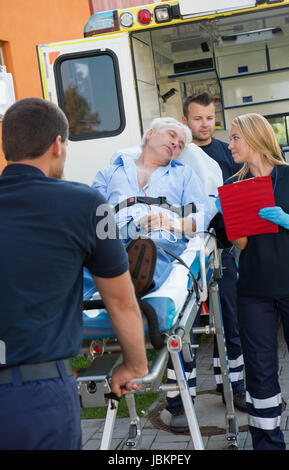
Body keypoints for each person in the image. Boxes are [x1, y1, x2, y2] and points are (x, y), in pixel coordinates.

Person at [0, 98, 148, 450]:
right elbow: (122, 301)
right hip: (33, 399)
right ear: (57, 144)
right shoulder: (86, 204)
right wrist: (134, 366)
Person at [86, 117, 211, 432]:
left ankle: (133, 278)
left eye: (181, 143)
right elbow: (92, 214)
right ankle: (99, 285)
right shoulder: (111, 172)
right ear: (150, 134)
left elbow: (201, 215)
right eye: (172, 135)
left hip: (160, 235)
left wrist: (174, 223)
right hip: (114, 234)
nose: (176, 144)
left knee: (151, 253)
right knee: (89, 257)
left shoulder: (183, 174)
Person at [217, 112, 289, 450]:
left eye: (235, 137)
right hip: (254, 293)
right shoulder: (236, 188)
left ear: (254, 139)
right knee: (261, 373)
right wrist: (237, 229)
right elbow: (244, 247)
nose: (230, 144)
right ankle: (267, 443)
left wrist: (287, 219)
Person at [182, 91, 247, 412]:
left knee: (231, 321)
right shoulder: (176, 155)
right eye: (197, 118)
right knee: (185, 326)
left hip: (224, 253)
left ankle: (233, 387)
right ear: (185, 120)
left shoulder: (226, 153)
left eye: (209, 118)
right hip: (185, 258)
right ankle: (182, 398)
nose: (205, 124)